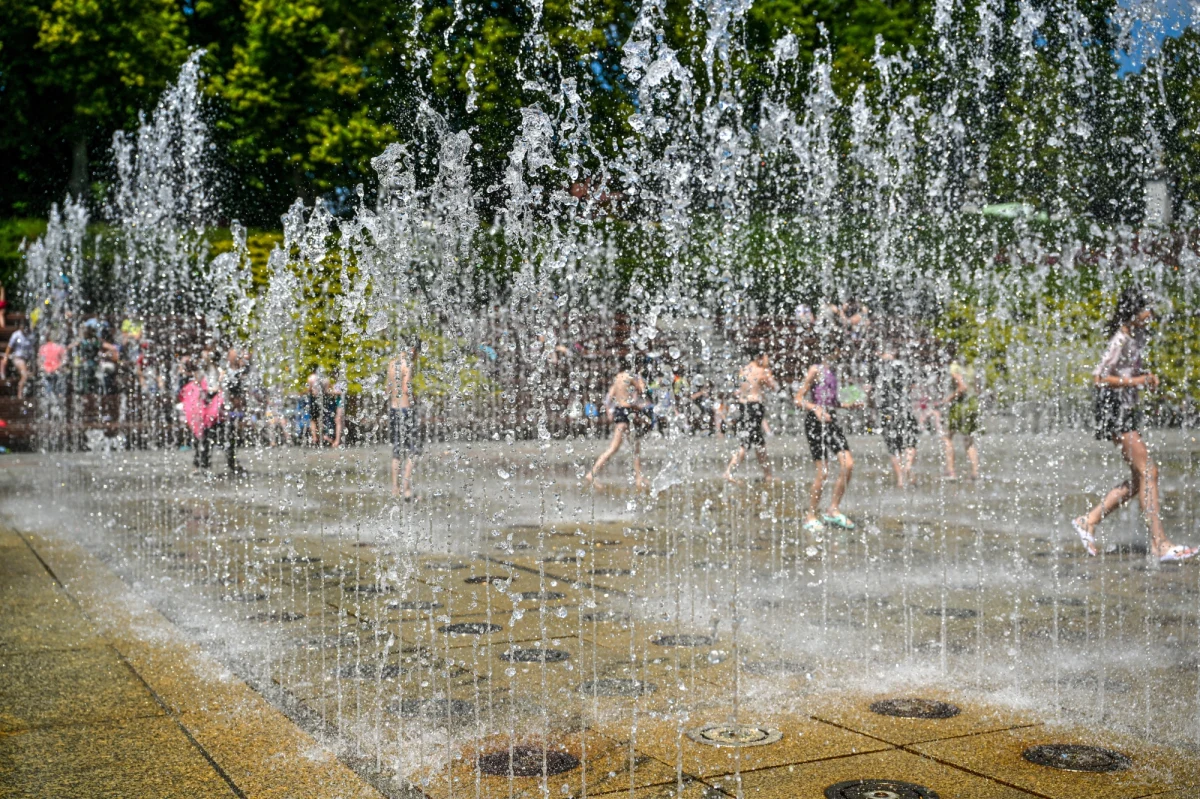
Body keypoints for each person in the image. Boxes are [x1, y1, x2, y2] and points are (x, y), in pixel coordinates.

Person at [1072, 286, 1196, 562]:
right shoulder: (1120, 339)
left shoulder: (1136, 335)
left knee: (1141, 479)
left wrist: (1145, 378)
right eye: (1146, 308)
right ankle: (1159, 544)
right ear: (1134, 312)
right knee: (1149, 471)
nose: (1151, 313)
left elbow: (1127, 371)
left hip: (1124, 408)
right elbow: (1099, 378)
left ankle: (1088, 520)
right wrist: (1136, 381)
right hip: (1113, 409)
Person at [795, 331, 860, 534]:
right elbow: (798, 398)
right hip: (815, 422)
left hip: (830, 421)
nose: (841, 354)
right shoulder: (815, 370)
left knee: (848, 464)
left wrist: (848, 405)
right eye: (839, 350)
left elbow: (831, 402)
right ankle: (810, 515)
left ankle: (833, 509)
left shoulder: (833, 373)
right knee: (823, 472)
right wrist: (815, 408)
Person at [585, 356, 650, 490]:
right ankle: (592, 474)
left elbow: (609, 397)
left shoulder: (618, 377)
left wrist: (610, 412)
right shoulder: (632, 376)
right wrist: (641, 381)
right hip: (626, 413)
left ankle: (639, 478)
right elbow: (643, 390)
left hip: (620, 412)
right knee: (615, 447)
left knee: (635, 446)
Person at [724, 347, 779, 484]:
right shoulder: (762, 371)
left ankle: (768, 475)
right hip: (755, 406)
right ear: (760, 358)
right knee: (746, 443)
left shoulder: (743, 370)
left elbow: (742, 386)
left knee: (759, 443)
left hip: (744, 405)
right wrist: (767, 368)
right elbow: (774, 386)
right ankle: (728, 472)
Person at [876, 338, 918, 488]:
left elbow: (869, 389)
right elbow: (912, 385)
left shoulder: (877, 366)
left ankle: (900, 478)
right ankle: (907, 468)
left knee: (893, 445)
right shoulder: (904, 366)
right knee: (910, 441)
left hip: (886, 411)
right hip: (904, 409)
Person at [387, 341, 421, 499]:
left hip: (393, 408)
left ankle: (394, 489)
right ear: (412, 349)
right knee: (414, 451)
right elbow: (406, 387)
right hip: (406, 409)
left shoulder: (392, 364)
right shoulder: (408, 365)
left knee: (396, 451)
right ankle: (406, 489)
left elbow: (387, 388)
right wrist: (416, 399)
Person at [941, 349, 980, 480]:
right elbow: (976, 387)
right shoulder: (970, 367)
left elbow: (962, 387)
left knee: (947, 437)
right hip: (973, 405)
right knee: (969, 440)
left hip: (960, 406)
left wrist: (948, 399)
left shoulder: (954, 366)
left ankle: (951, 472)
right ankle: (975, 473)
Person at [1, 321, 34, 400]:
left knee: (30, 375)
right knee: (24, 375)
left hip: (28, 359)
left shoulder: (31, 335)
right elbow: (9, 347)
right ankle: (20, 394)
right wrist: (5, 357)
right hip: (18, 358)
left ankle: (25, 393)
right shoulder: (16, 335)